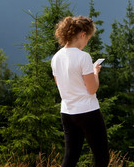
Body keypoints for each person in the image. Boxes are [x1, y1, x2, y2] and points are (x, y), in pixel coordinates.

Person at [51, 15, 109, 167]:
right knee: (101, 156)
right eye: (88, 38)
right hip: (88, 112)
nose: (86, 42)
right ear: (83, 35)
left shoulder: (56, 58)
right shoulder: (84, 57)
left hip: (67, 112)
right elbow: (92, 89)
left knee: (70, 157)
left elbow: (61, 86)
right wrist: (95, 72)